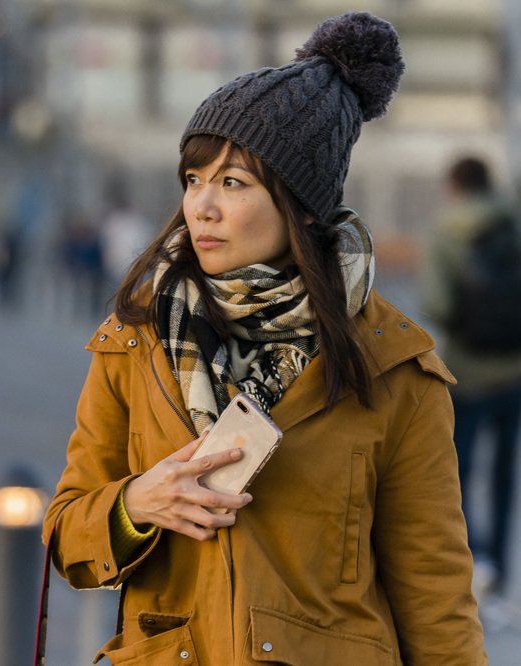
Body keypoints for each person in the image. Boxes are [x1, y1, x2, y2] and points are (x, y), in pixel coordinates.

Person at [42, 12, 488, 665]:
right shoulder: (135, 341)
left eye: (233, 182)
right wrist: (136, 504)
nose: (202, 206)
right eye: (193, 179)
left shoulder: (392, 366)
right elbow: (67, 537)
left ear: (299, 206)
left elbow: (435, 594)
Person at [421, 156, 521, 602]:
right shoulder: (513, 223)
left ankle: (475, 557)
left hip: (468, 371)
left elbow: (437, 304)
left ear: (454, 186)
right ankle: (501, 565)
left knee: (458, 469)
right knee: (504, 472)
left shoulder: (444, 230)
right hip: (514, 370)